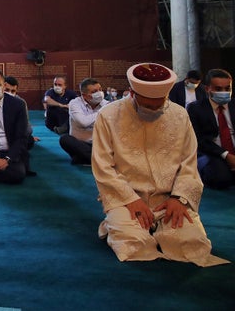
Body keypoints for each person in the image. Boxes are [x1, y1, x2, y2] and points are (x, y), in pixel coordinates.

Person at [92, 62, 227, 267]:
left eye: (159, 104)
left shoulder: (179, 115)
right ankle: (117, 222)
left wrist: (179, 199)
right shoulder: (109, 115)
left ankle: (141, 224)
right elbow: (103, 166)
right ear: (132, 94)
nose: (154, 110)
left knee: (192, 245)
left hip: (169, 199)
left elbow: (188, 163)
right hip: (126, 198)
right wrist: (130, 200)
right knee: (133, 245)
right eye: (148, 106)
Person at [187, 68, 235, 189]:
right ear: (207, 89)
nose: (224, 92)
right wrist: (225, 154)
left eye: (227, 88)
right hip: (212, 152)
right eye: (218, 89)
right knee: (221, 179)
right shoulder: (195, 109)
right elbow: (199, 140)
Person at [59, 78, 108, 165]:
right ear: (84, 95)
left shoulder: (107, 104)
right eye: (94, 91)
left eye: (100, 89)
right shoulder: (74, 103)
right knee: (65, 139)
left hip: (99, 145)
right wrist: (102, 112)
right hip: (80, 144)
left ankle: (84, 159)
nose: (99, 93)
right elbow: (83, 122)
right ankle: (99, 161)